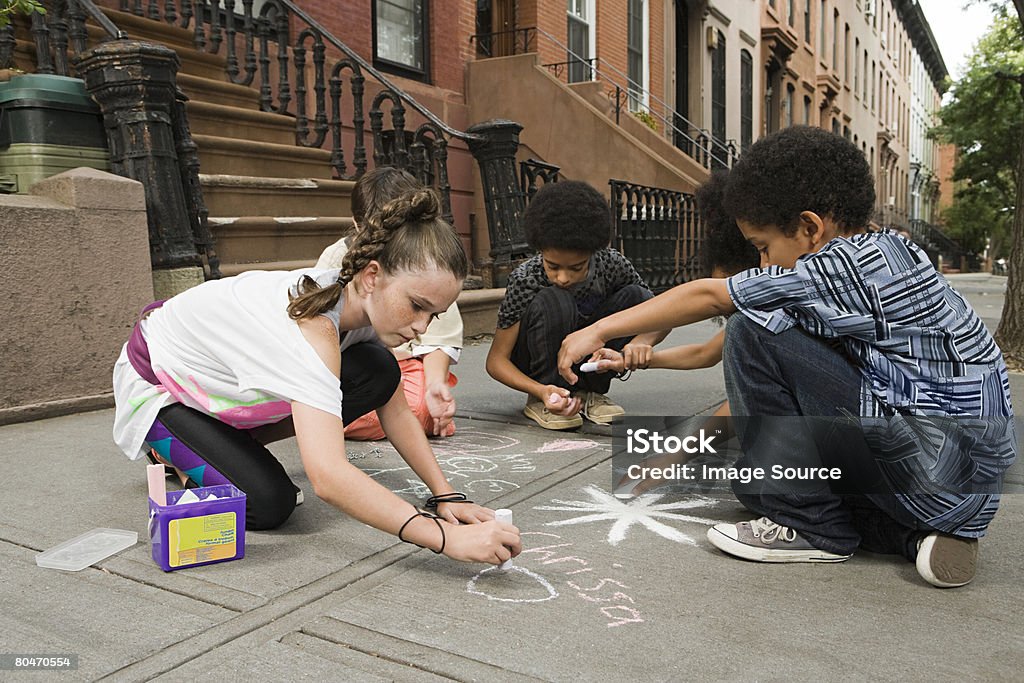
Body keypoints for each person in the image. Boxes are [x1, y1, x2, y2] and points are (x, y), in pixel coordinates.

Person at [558, 126, 1015, 588]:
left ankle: (812, 527)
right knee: (756, 483)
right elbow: (771, 388)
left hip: (931, 471)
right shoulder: (892, 254)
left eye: (763, 248)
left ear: (811, 227)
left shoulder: (843, 267)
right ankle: (913, 540)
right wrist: (675, 450)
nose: (763, 266)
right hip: (961, 491)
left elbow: (712, 298)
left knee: (750, 326)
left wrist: (596, 329)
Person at [113, 189, 521, 565]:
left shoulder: (354, 302)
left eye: (433, 313)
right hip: (159, 388)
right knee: (269, 504)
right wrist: (446, 539)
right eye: (416, 306)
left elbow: (394, 408)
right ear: (372, 276)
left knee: (378, 369)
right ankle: (168, 448)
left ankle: (222, 448)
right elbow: (328, 477)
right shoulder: (313, 329)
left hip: (216, 387)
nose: (423, 326)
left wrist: (444, 495)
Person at [485, 180, 666, 430]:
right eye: (553, 266)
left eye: (576, 267)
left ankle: (588, 393)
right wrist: (539, 389)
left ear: (593, 253)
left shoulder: (611, 265)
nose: (563, 277)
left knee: (636, 296)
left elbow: (661, 314)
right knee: (556, 299)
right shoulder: (526, 278)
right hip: (539, 367)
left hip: (589, 358)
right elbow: (496, 361)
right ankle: (546, 399)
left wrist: (640, 344)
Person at [317, 167, 463, 440]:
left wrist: (435, 383)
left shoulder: (429, 266)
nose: (421, 325)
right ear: (357, 225)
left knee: (421, 407)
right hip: (348, 367)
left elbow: (439, 338)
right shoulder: (336, 258)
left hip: (404, 368)